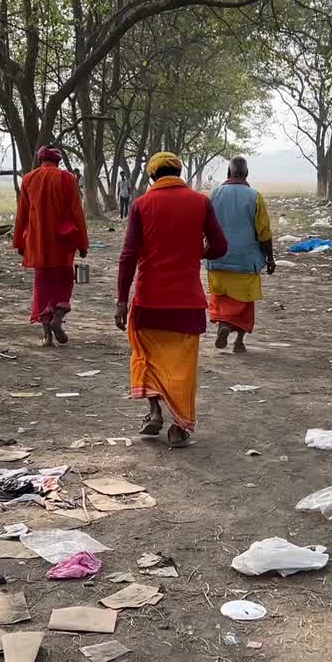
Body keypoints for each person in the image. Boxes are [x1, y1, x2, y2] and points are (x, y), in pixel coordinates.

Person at [115, 151, 228, 447]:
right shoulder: (201, 202)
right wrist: (196, 252)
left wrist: (121, 300)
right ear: (179, 172)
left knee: (146, 357)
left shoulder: (141, 204)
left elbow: (128, 255)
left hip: (149, 300)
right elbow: (220, 246)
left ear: (152, 177)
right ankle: (180, 426)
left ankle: (154, 411)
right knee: (182, 365)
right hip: (187, 302)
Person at [14, 145, 89, 347]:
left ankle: (47, 336)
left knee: (42, 286)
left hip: (37, 243)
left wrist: (20, 243)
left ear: (41, 160)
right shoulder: (67, 178)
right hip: (63, 244)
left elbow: (22, 214)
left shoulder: (29, 179)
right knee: (63, 282)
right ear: (58, 161)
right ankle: (58, 317)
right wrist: (83, 243)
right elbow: (76, 213)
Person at [207, 156, 275, 353]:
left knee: (220, 297)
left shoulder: (215, 194)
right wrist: (270, 258)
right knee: (244, 301)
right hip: (246, 260)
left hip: (218, 259)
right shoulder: (255, 196)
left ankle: (223, 326)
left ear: (228, 173)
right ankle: (239, 342)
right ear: (246, 174)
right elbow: (264, 232)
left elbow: (205, 227)